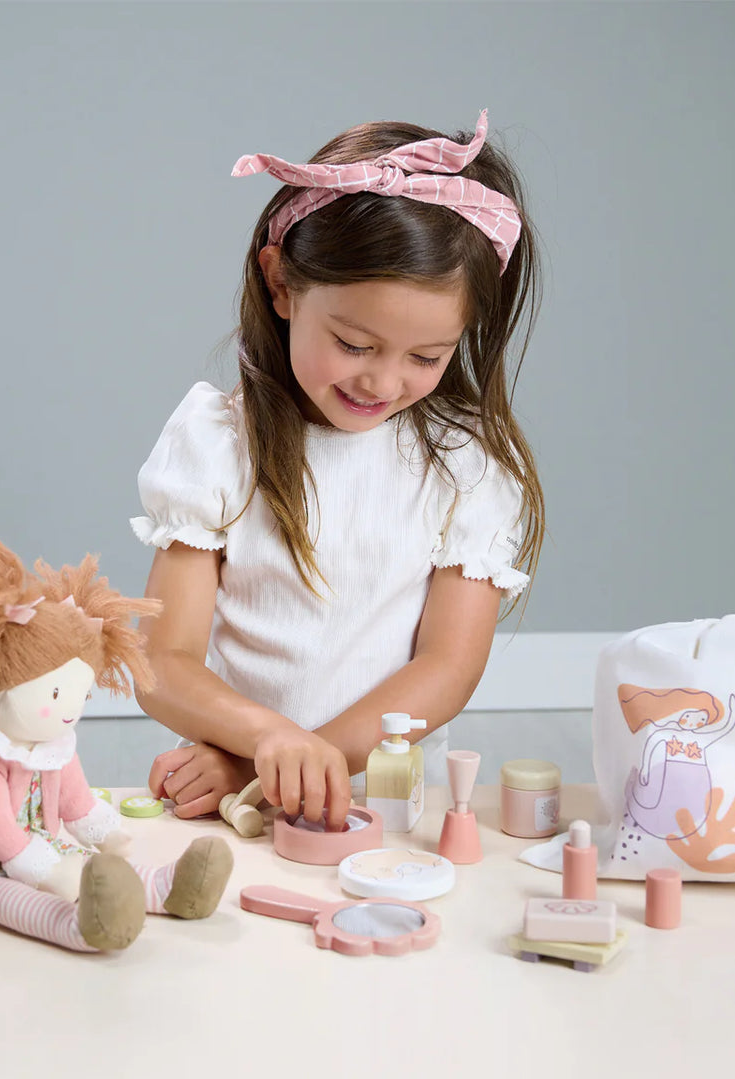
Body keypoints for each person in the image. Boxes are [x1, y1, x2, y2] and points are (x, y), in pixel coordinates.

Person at [130, 110, 545, 831]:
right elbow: (162, 659)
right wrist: (267, 743)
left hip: (384, 804)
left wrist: (279, 765)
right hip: (233, 802)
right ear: (281, 284)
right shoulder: (221, 445)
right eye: (355, 344)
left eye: (426, 357)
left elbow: (447, 667)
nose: (383, 382)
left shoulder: (465, 464)